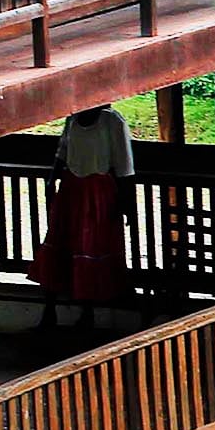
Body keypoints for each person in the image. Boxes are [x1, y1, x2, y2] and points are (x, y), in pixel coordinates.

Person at [33, 105, 135, 329]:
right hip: (71, 188)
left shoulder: (113, 122)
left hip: (98, 191)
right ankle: (50, 311)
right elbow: (62, 150)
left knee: (89, 247)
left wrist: (126, 202)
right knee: (58, 244)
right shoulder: (73, 118)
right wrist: (53, 179)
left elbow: (125, 165)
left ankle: (87, 312)